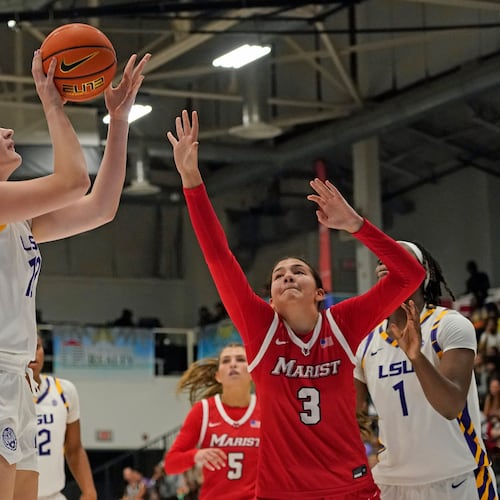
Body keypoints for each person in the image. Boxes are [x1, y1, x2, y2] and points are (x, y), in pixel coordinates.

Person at [165, 110, 425, 499]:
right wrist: (191, 181)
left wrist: (355, 223)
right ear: (269, 298)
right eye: (279, 274)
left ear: (319, 293)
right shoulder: (260, 327)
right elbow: (219, 256)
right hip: (281, 492)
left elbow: (410, 276)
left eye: (299, 271)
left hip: (349, 488)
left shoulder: (342, 322)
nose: (287, 275)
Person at [0, 48, 150, 500]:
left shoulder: (18, 219)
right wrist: (50, 99)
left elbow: (100, 208)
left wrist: (119, 122)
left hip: (17, 380)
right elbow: (71, 181)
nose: (8, 131)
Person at [354, 241, 498, 500]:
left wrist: (416, 357)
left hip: (456, 478)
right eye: (380, 259)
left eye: (397, 255)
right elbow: (354, 416)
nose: (384, 261)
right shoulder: (364, 342)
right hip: (389, 482)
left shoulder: (449, 324)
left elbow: (451, 405)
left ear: (423, 272)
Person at [164, 343, 260, 500]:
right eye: (226, 361)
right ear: (218, 376)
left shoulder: (266, 411)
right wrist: (196, 455)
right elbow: (170, 464)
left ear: (253, 373)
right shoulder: (203, 411)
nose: (233, 364)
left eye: (241, 359)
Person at [29, 334, 96, 500]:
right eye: (25, 348)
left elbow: (74, 449)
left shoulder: (64, 391)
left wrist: (89, 492)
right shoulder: (5, 396)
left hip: (54, 496)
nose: (32, 354)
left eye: (37, 347)